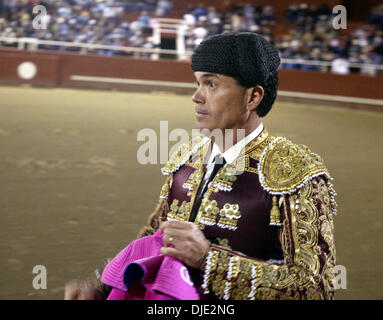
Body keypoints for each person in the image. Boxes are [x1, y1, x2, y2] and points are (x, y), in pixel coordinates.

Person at [65, 32, 337, 300]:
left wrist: (208, 260)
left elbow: (316, 288)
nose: (196, 96)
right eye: (197, 83)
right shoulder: (186, 159)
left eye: (212, 84)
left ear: (253, 97)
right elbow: (154, 238)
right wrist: (103, 288)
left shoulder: (295, 171)